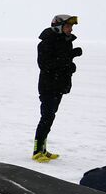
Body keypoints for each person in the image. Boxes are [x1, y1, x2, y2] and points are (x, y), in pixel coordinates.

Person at [34, 14, 82, 161]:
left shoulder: (65, 42)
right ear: (58, 27)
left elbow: (62, 62)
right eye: (68, 26)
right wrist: (69, 58)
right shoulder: (46, 43)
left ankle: (43, 149)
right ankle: (37, 151)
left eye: (72, 27)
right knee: (46, 117)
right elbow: (45, 65)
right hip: (48, 85)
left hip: (58, 85)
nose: (71, 29)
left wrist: (70, 66)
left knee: (50, 117)